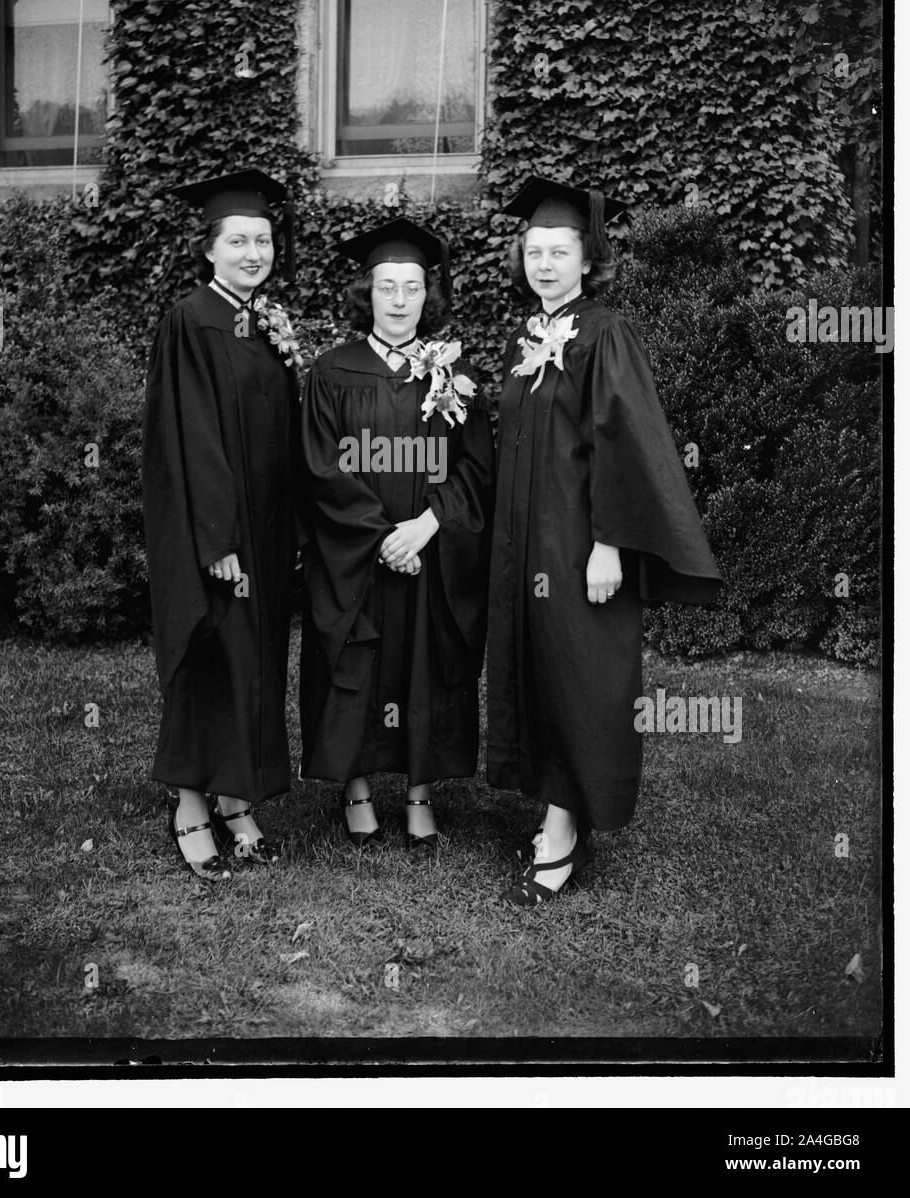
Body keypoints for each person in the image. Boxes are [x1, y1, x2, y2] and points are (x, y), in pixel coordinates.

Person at [486, 177, 722, 907]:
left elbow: (623, 445)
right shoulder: (528, 336)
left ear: (588, 260)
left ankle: (562, 830)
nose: (546, 264)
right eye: (535, 252)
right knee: (546, 669)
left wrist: (609, 546)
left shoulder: (605, 331)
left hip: (580, 546)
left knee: (581, 677)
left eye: (560, 252)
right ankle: (558, 808)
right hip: (529, 544)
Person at [299, 217, 494, 849]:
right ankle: (355, 788)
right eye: (388, 287)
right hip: (357, 555)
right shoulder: (332, 373)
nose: (401, 300)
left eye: (412, 287)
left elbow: (475, 465)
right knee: (357, 657)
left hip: (429, 551)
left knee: (422, 663)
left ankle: (418, 790)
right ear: (368, 293)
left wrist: (429, 525)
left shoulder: (454, 377)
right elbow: (321, 468)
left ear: (427, 296)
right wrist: (383, 537)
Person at [142, 169, 301, 880]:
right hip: (217, 533)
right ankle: (189, 804)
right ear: (209, 249)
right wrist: (218, 540)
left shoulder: (263, 320)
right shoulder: (191, 319)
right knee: (211, 654)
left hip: (264, 533)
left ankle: (238, 799)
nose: (252, 252)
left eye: (262, 240)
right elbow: (192, 440)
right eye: (237, 240)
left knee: (256, 659)